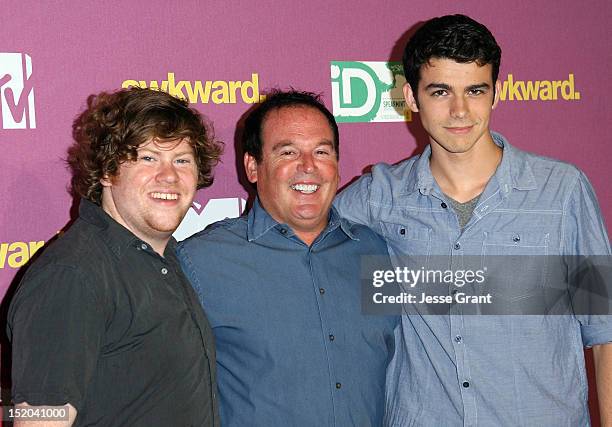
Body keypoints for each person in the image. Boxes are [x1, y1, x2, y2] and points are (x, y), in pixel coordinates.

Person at [335, 14, 612, 426]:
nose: (460, 110)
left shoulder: (562, 191)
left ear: (495, 94)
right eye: (441, 91)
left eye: (475, 90)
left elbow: (604, 329)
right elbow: (299, 236)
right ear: (411, 97)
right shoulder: (380, 196)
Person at [177, 90, 398, 426]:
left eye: (322, 151)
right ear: (252, 166)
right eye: (288, 152)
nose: (308, 167)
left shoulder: (376, 251)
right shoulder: (200, 263)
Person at [8, 87, 223, 426]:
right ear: (108, 171)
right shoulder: (73, 275)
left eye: (182, 160)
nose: (169, 176)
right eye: (148, 158)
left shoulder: (165, 256)